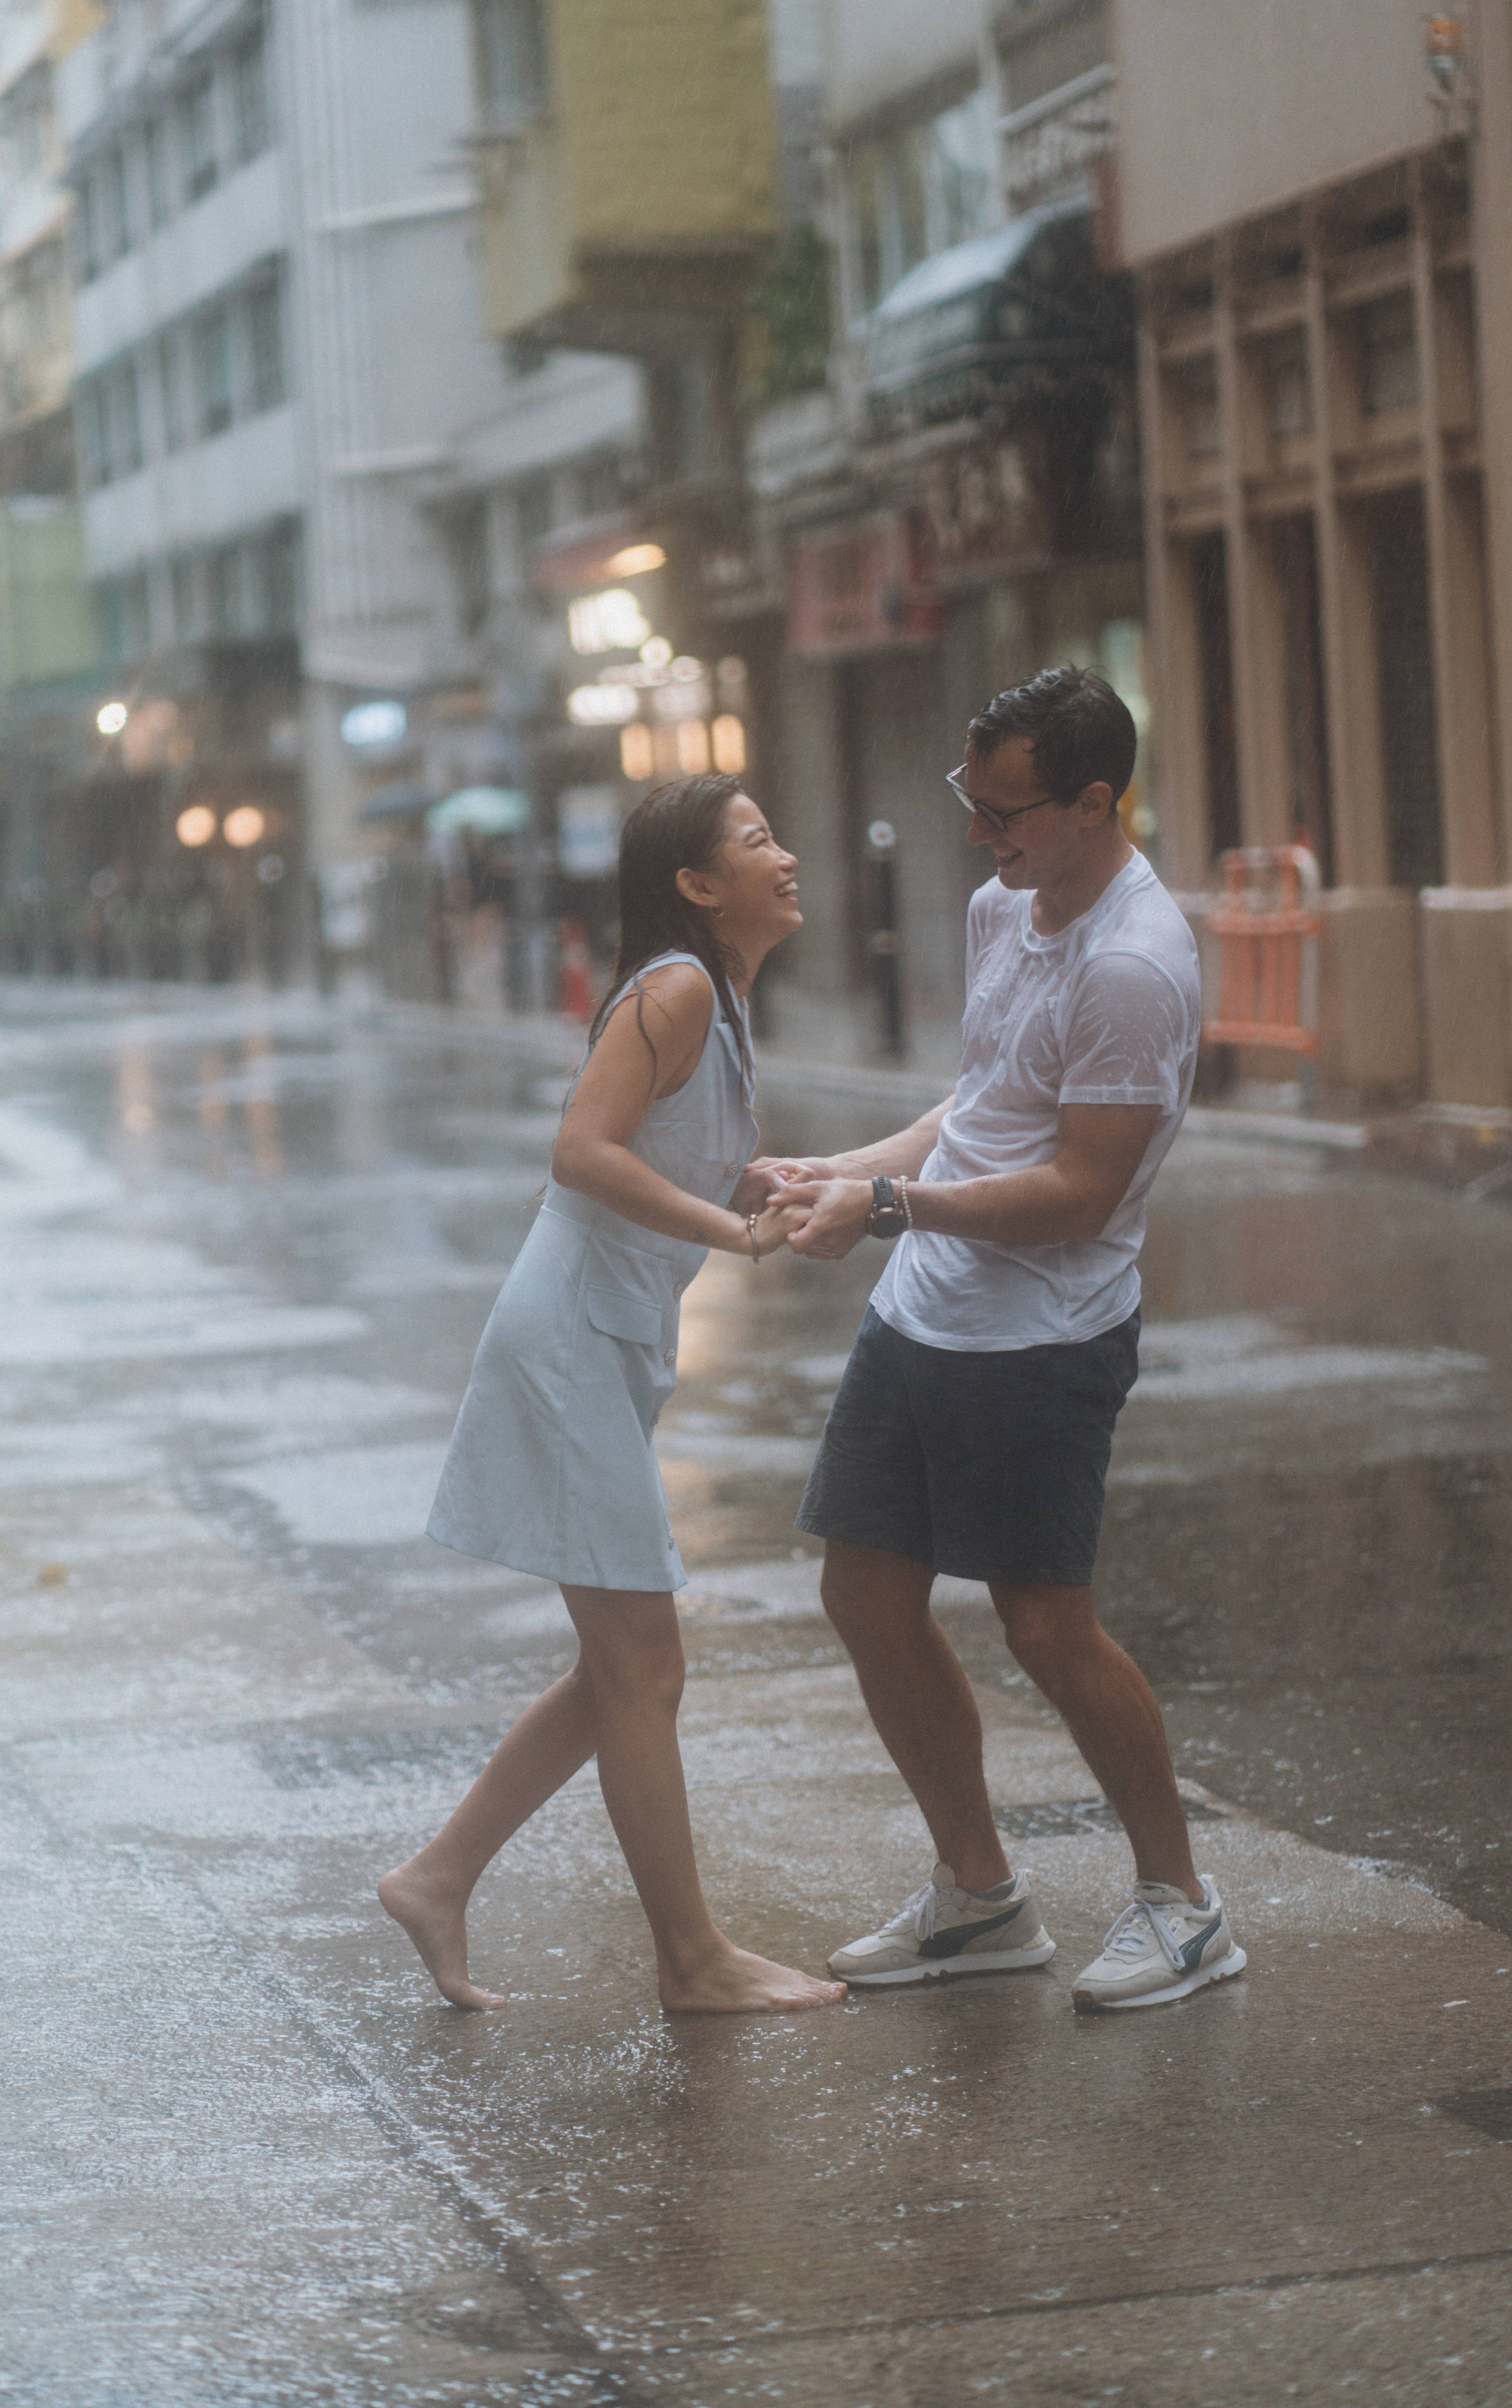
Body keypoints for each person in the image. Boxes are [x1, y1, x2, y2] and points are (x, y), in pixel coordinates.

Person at [770, 666, 1245, 2014]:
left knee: (1046, 1628)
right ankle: (979, 1895)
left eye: (1007, 813)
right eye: (970, 804)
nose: (981, 837)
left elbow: (1082, 1191)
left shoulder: (1133, 964)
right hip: (923, 1310)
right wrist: (845, 1169)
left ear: (1095, 802)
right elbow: (980, 1106)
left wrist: (885, 1208)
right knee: (864, 1597)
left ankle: (1183, 1905)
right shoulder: (1003, 907)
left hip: (1043, 1334)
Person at [381, 774, 844, 2017]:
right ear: (698, 886)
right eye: (758, 840)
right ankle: (692, 1961)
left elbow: (661, 1151)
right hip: (571, 1340)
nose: (787, 856)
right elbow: (581, 1152)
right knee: (644, 1668)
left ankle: (437, 1879)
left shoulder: (719, 998)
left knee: (615, 1671)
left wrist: (757, 1185)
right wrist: (735, 1232)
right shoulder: (676, 987)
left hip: (606, 1340)